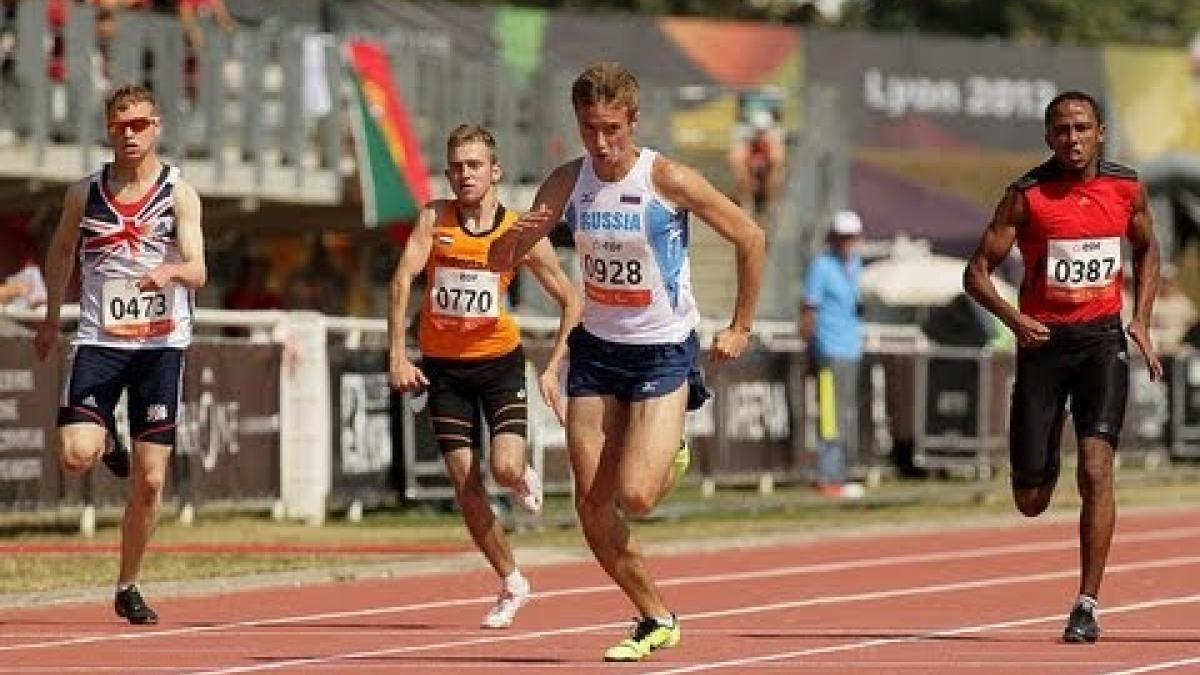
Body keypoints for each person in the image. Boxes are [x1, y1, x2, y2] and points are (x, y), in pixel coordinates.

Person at [487, 61, 766, 662]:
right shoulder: (567, 181)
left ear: (633, 120)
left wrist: (740, 325)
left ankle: (672, 452)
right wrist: (520, 235)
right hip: (597, 351)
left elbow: (750, 236)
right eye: (590, 128)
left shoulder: (665, 177)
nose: (602, 142)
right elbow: (500, 261)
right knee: (591, 506)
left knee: (637, 496)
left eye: (612, 128)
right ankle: (655, 616)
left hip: (662, 350)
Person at [963, 90, 1161, 645]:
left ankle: (1086, 604)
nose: (1072, 139)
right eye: (1061, 130)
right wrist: (1013, 319)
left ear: (1100, 132)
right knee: (1031, 500)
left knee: (1097, 471)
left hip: (1102, 343)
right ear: (1047, 137)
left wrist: (1140, 320)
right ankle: (1037, 467)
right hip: (1043, 345)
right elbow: (976, 272)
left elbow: (1148, 249)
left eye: (1081, 128)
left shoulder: (1126, 187)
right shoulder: (1025, 196)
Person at [388, 123, 581, 630]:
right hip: (444, 370)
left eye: (474, 166)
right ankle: (512, 580)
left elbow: (571, 300)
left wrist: (554, 365)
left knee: (504, 468)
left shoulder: (517, 232)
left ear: (494, 172)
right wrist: (397, 355)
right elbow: (404, 277)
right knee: (466, 486)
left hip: (498, 364)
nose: (464, 175)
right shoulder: (435, 217)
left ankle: (520, 475)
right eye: (456, 167)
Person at [34, 83, 206, 625]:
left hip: (161, 346)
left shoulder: (180, 192)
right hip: (100, 340)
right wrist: (47, 322)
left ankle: (128, 583)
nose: (130, 135)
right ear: (109, 130)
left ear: (157, 127)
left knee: (151, 481)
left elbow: (199, 270)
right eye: (120, 126)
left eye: (139, 125)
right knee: (73, 453)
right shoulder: (84, 194)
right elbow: (61, 253)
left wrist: (171, 271)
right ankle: (106, 436)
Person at [799, 210, 866, 500]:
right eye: (842, 237)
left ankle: (841, 474)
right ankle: (829, 476)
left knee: (846, 415)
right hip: (829, 350)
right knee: (830, 415)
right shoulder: (822, 267)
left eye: (851, 237)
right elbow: (808, 311)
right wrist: (810, 349)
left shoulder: (858, 266)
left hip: (851, 349)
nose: (846, 243)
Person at [728, 103, 786, 222]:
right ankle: (748, 205)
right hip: (751, 180)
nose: (760, 135)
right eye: (758, 132)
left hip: (766, 179)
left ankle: (772, 206)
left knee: (777, 174)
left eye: (763, 132)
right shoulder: (745, 144)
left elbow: (777, 163)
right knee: (741, 170)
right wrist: (748, 178)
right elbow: (736, 161)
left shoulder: (774, 144)